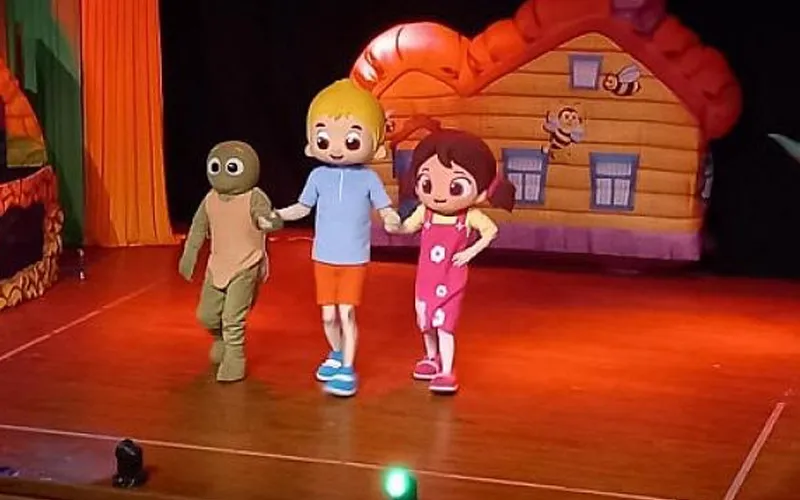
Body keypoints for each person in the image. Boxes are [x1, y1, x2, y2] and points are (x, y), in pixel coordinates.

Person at [275, 79, 400, 397]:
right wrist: (276, 215)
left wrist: (391, 218)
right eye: (323, 137)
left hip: (354, 258)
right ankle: (335, 353)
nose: (336, 147)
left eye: (352, 139)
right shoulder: (318, 176)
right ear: (311, 142)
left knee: (346, 313)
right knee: (328, 315)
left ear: (376, 145)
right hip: (323, 256)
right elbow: (302, 207)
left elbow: (385, 208)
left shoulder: (369, 179)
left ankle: (347, 368)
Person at [386, 129, 515, 394]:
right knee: (425, 321)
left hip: (451, 279)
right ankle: (430, 357)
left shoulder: (468, 216)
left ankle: (446, 370)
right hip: (425, 279)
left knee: (445, 325)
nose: (440, 195)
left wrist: (470, 252)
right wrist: (394, 226)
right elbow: (408, 228)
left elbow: (491, 231)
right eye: (427, 184)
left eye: (455, 187)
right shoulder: (424, 212)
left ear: (480, 191)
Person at [179, 141, 283, 382]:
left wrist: (269, 222)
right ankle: (221, 341)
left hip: (246, 263)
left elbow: (264, 217)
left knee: (232, 318)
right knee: (206, 315)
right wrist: (189, 255)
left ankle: (235, 359)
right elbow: (198, 228)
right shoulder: (210, 199)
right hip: (217, 265)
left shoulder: (254, 197)